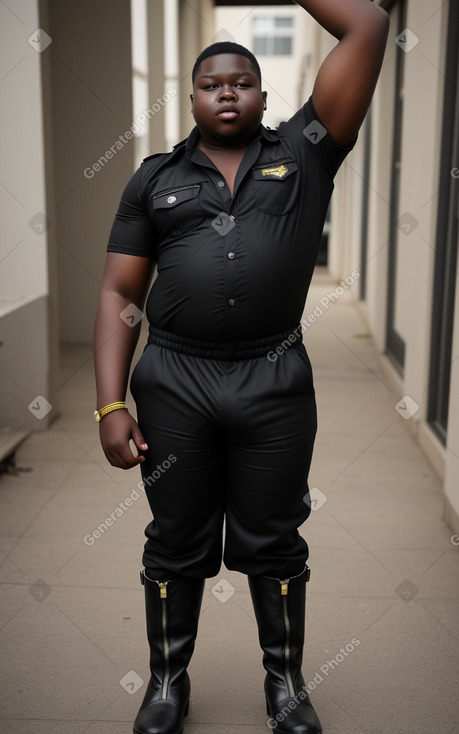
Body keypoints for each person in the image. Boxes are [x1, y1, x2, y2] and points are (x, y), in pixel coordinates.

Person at [93, 2, 389, 733]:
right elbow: (118, 292)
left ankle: (284, 685)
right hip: (175, 381)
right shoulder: (152, 179)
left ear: (263, 95)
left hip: (272, 380)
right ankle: (166, 683)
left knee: (274, 538)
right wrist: (109, 405)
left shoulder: (308, 150)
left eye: (242, 81)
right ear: (191, 97)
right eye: (211, 83)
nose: (226, 91)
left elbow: (370, 26)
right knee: (174, 539)